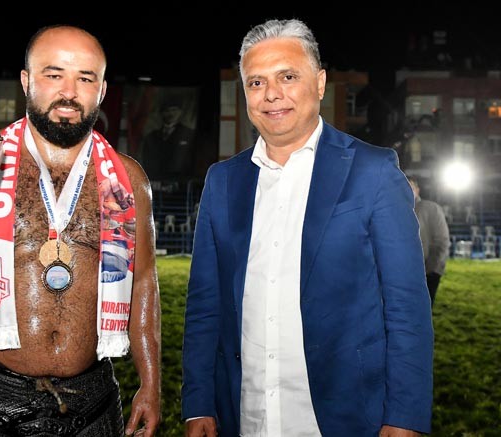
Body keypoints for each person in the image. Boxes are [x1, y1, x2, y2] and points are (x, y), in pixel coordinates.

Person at [0, 25, 160, 437]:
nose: (69, 92)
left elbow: (143, 280)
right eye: (54, 75)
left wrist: (151, 382)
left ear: (103, 90)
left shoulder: (128, 179)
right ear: (26, 81)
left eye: (85, 78)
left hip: (93, 399)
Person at [182, 19, 433, 437]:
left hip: (348, 418)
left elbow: (406, 305)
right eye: (256, 82)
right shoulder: (222, 182)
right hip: (245, 417)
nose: (271, 94)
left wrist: (405, 416)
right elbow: (205, 306)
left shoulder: (373, 172)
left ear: (319, 83)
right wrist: (198, 404)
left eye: (287, 76)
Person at [408, 177, 450, 306]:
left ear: (417, 190)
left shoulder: (431, 208)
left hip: (427, 273)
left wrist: (430, 270)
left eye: (410, 187)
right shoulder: (392, 212)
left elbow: (441, 241)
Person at [140, 97, 195, 181]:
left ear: (180, 112)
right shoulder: (151, 137)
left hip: (181, 181)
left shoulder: (189, 134)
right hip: (155, 181)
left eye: (174, 110)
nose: (171, 114)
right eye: (167, 111)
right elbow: (146, 161)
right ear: (161, 113)